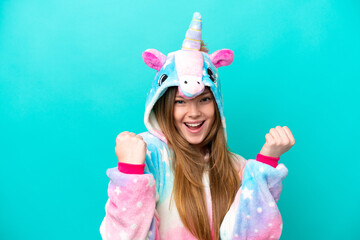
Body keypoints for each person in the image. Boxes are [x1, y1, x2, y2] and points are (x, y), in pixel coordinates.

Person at [100, 12, 295, 240]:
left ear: (217, 104)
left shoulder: (236, 167)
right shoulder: (151, 157)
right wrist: (130, 170)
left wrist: (266, 164)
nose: (194, 113)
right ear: (162, 106)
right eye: (180, 102)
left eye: (204, 99)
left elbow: (249, 236)